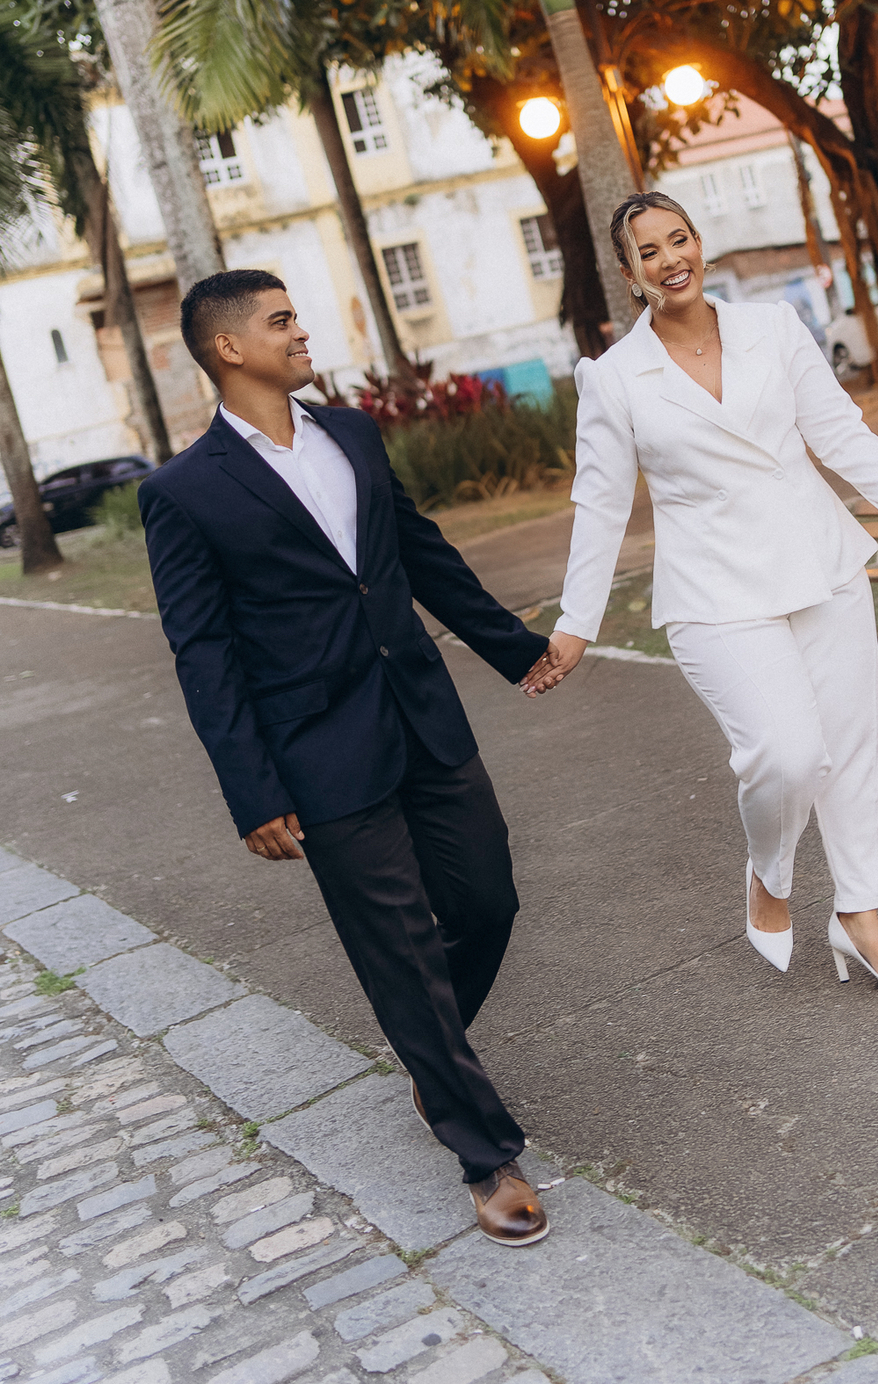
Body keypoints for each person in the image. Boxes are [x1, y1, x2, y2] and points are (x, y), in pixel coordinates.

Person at [139, 270, 568, 1245]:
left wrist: (512, 648)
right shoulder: (183, 494)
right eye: (280, 320)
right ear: (229, 350)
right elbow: (203, 655)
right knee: (400, 949)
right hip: (316, 749)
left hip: (422, 712)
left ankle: (429, 1052)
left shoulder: (353, 436)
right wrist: (252, 790)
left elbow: (418, 554)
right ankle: (483, 1151)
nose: (302, 332)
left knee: (485, 899)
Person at [534, 194, 878, 990]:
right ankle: (770, 876)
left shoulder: (773, 326)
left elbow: (834, 426)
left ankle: (860, 917)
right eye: (649, 251)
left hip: (821, 562)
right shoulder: (616, 379)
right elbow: (600, 504)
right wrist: (575, 625)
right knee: (789, 756)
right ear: (630, 275)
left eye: (680, 238)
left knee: (855, 751)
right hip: (715, 592)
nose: (671, 259)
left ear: (701, 243)